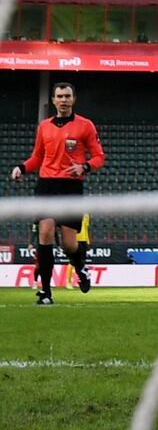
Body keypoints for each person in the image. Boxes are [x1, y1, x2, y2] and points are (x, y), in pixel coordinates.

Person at [9, 82, 103, 305]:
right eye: (59, 96)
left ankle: (80, 268)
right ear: (53, 100)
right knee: (46, 232)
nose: (63, 100)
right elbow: (37, 158)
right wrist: (21, 167)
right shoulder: (44, 126)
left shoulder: (85, 126)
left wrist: (85, 167)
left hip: (71, 187)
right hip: (47, 185)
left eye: (67, 96)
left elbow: (99, 156)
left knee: (70, 245)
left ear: (73, 99)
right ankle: (46, 292)